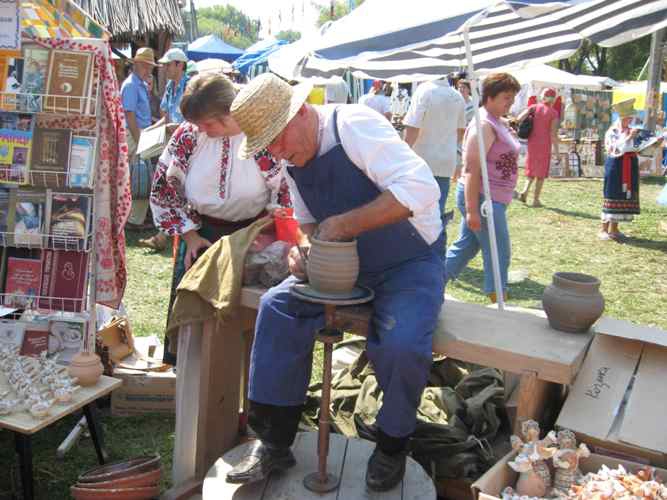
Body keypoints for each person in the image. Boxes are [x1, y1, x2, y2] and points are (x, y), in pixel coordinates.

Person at [226, 74, 444, 491]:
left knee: (401, 342)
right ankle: (273, 441)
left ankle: (393, 444)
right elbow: (307, 223)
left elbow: (421, 187)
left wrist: (345, 224)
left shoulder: (354, 125)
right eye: (267, 145)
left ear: (302, 111)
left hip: (408, 263)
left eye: (277, 137)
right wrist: (304, 250)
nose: (277, 152)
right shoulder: (292, 157)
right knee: (277, 308)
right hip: (347, 266)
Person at [149, 73, 291, 365]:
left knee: (243, 319)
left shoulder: (261, 135)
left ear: (231, 112)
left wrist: (264, 234)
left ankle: (238, 386)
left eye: (208, 123)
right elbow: (165, 187)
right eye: (197, 123)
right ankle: (191, 379)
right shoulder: (189, 136)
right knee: (195, 319)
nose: (202, 129)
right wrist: (190, 237)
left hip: (252, 239)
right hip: (201, 235)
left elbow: (285, 189)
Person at [444, 73, 521, 303]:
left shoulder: (496, 121)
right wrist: (472, 210)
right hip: (482, 199)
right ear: (489, 97)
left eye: (512, 97)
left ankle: (429, 284)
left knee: (466, 247)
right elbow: (471, 169)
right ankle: (498, 301)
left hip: (491, 199)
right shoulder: (484, 125)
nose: (511, 102)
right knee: (499, 254)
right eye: (506, 97)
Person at [138, 48, 192, 251]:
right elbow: (167, 116)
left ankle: (166, 235)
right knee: (171, 186)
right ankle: (165, 234)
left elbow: (192, 119)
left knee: (178, 188)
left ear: (179, 65)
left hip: (187, 146)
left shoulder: (190, 86)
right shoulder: (171, 86)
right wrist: (154, 128)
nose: (165, 68)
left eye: (169, 65)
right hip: (173, 143)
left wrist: (173, 128)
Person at [404, 76, 466, 249]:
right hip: (445, 160)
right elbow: (461, 131)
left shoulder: (424, 91)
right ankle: (432, 247)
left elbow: (413, 127)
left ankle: (416, 248)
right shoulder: (457, 96)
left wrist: (402, 153)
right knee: (436, 209)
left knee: (414, 209)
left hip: (421, 159)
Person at [598, 98, 659, 241]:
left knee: (623, 195)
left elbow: (638, 148)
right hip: (616, 165)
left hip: (630, 164)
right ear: (621, 118)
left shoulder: (632, 130)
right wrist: (628, 138)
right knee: (612, 194)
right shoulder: (612, 131)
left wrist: (653, 144)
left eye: (631, 118)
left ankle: (615, 228)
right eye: (627, 118)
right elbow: (613, 148)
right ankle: (603, 229)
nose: (629, 121)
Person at [121, 47, 157, 228]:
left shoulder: (139, 85)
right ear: (137, 65)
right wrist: (140, 140)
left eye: (150, 67)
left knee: (140, 175)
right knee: (138, 176)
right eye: (146, 66)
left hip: (140, 133)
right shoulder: (130, 85)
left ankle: (137, 217)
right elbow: (130, 115)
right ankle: (134, 219)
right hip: (134, 134)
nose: (149, 70)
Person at [516, 88, 560, 207]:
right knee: (541, 173)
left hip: (532, 142)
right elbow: (553, 135)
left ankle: (525, 192)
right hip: (545, 145)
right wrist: (557, 153)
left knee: (531, 169)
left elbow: (519, 118)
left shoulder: (534, 107)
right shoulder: (554, 113)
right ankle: (536, 200)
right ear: (554, 99)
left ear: (542, 96)